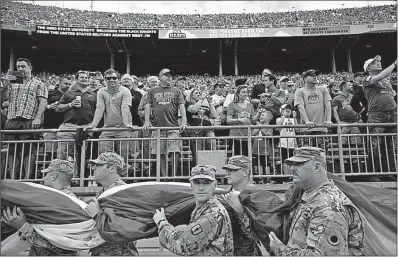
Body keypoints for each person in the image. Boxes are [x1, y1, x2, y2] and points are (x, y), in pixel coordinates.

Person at [268, 147, 365, 256]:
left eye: (299, 164)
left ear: (317, 167)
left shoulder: (328, 207)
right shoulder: (311, 196)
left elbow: (321, 255)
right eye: (292, 164)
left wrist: (281, 251)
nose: (292, 168)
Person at [153, 165, 234, 256]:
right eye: (197, 182)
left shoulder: (213, 214)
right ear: (191, 185)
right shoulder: (201, 208)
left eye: (206, 183)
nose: (201, 188)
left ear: (214, 185)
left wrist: (162, 223)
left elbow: (181, 245)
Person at [2, 159, 78, 256]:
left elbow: (58, 242)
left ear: (53, 176)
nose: (44, 178)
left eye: (46, 174)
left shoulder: (58, 201)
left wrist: (23, 227)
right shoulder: (67, 200)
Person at [84, 152, 138, 256]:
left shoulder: (123, 193)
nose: (93, 168)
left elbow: (122, 228)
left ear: (112, 168)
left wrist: (96, 214)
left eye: (99, 165)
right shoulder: (103, 192)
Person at [3, 58, 48, 179]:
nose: (20, 69)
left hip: (28, 119)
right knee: (12, 151)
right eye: (18, 67)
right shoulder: (12, 83)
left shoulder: (39, 83)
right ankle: (13, 178)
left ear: (30, 67)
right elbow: (3, 99)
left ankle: (27, 177)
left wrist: (38, 118)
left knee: (28, 151)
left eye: (23, 66)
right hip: (12, 119)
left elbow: (43, 102)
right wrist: (6, 84)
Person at [144, 69, 187, 177]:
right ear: (160, 77)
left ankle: (173, 176)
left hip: (173, 126)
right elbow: (148, 105)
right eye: (166, 75)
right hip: (157, 127)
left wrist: (184, 121)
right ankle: (164, 177)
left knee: (174, 151)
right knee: (160, 153)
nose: (169, 77)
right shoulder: (152, 90)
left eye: (171, 75)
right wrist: (146, 121)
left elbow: (181, 106)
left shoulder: (177, 91)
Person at [85, 69, 135, 164]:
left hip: (123, 128)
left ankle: (123, 177)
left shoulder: (125, 91)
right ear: (105, 79)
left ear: (118, 79)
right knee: (104, 155)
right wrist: (93, 125)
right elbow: (100, 108)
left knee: (123, 155)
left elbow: (125, 107)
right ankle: (108, 176)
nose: (111, 80)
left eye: (114, 78)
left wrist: (126, 124)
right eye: (109, 78)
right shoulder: (101, 91)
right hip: (107, 128)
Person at [362, 56, 397, 179]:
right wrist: (394, 64)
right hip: (377, 114)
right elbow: (380, 77)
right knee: (375, 145)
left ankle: (390, 171)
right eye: (374, 63)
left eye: (378, 62)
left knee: (391, 144)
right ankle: (374, 173)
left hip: (391, 113)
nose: (378, 63)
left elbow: (393, 93)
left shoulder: (386, 81)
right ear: (368, 68)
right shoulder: (366, 79)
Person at [221, 156, 263, 256]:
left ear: (245, 172)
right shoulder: (223, 196)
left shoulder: (257, 196)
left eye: (232, 170)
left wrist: (240, 211)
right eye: (227, 170)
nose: (227, 173)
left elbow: (258, 236)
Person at [56, 70, 96, 161]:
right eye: (82, 77)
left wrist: (92, 124)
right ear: (76, 80)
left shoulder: (94, 95)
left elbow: (98, 111)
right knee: (62, 153)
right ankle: (62, 174)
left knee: (81, 155)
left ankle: (78, 175)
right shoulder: (68, 93)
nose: (85, 79)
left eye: (86, 77)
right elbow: (58, 108)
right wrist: (70, 104)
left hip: (86, 127)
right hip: (68, 127)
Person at [294, 69, 333, 149]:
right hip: (306, 129)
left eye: (315, 75)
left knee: (322, 156)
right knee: (307, 156)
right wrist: (307, 121)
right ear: (305, 78)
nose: (315, 77)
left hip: (321, 128)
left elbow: (328, 104)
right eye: (312, 76)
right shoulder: (300, 91)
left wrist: (328, 120)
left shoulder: (323, 89)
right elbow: (300, 107)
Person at [185, 88, 218, 165]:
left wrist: (210, 103)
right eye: (196, 93)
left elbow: (214, 115)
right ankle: (198, 170)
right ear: (191, 95)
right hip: (195, 130)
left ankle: (211, 167)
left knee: (212, 147)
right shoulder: (187, 104)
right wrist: (202, 99)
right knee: (197, 153)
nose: (199, 94)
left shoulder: (204, 105)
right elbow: (193, 110)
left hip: (207, 128)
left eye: (199, 93)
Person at [227, 80, 259, 156]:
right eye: (243, 92)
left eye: (246, 92)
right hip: (236, 136)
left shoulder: (250, 105)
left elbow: (253, 120)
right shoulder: (232, 105)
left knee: (247, 159)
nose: (245, 94)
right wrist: (238, 120)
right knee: (237, 159)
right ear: (238, 93)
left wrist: (259, 113)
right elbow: (228, 120)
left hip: (247, 136)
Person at [43, 76, 72, 159]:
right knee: (50, 153)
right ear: (59, 83)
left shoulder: (71, 95)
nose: (68, 86)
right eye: (66, 83)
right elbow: (40, 106)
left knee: (64, 153)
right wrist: (49, 106)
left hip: (65, 128)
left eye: (70, 84)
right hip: (50, 126)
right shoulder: (50, 94)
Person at [332, 81, 362, 150]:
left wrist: (359, 118)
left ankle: (355, 158)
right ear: (344, 87)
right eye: (349, 85)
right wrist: (338, 121)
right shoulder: (337, 98)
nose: (352, 86)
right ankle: (345, 158)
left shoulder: (354, 97)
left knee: (356, 141)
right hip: (343, 122)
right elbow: (334, 111)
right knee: (343, 141)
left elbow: (358, 109)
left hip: (354, 122)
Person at [276, 104, 298, 175]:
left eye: (289, 109)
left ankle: (291, 176)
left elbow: (297, 129)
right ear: (281, 111)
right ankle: (286, 176)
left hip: (292, 144)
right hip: (283, 144)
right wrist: (284, 116)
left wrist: (295, 117)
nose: (288, 110)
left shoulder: (293, 119)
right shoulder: (279, 119)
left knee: (293, 161)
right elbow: (278, 126)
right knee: (285, 161)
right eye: (285, 109)